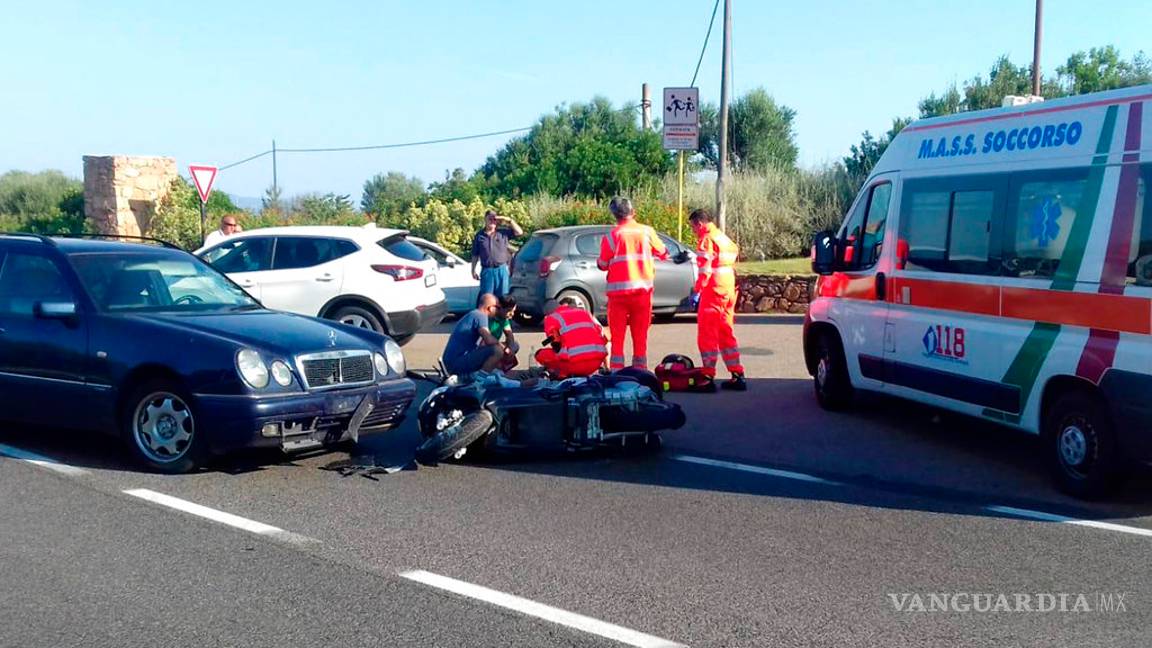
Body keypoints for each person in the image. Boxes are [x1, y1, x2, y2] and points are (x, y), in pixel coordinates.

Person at [596, 197, 667, 370]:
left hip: (618, 296)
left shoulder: (612, 236)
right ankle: (640, 372)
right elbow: (663, 252)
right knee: (640, 337)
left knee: (618, 339)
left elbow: (603, 265)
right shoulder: (647, 232)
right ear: (633, 212)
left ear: (615, 216)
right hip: (642, 294)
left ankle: (616, 373)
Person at [690, 208, 746, 391]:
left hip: (713, 290)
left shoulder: (707, 239)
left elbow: (705, 269)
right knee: (725, 331)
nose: (693, 231)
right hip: (728, 288)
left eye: (693, 227)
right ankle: (737, 374)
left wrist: (697, 290)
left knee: (707, 333)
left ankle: (707, 377)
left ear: (699, 223)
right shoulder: (723, 238)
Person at [534, 298, 608, 378]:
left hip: (575, 365)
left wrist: (548, 342)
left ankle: (561, 375)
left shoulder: (551, 318)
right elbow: (601, 335)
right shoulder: (584, 312)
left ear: (547, 313)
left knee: (540, 354)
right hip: (596, 363)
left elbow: (556, 345)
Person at [442, 293, 505, 377]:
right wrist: (503, 347)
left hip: (451, 361)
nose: (497, 311)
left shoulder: (473, 314)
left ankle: (483, 374)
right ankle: (479, 381)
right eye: (497, 308)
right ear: (490, 308)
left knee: (491, 351)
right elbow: (488, 339)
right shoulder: (480, 316)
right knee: (497, 351)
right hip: (455, 363)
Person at [471, 210, 523, 298]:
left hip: (501, 270)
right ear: (485, 219)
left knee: (503, 299)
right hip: (487, 271)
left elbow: (519, 232)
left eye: (494, 219)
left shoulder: (502, 233)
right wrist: (473, 270)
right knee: (487, 298)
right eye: (490, 219)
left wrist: (509, 220)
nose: (492, 221)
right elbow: (475, 254)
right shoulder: (479, 236)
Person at [487, 294, 521, 372]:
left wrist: (510, 349)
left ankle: (498, 367)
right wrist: (504, 348)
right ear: (500, 308)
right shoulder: (489, 318)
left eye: (513, 311)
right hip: (484, 347)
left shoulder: (504, 318)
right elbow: (486, 340)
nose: (512, 314)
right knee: (498, 350)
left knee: (515, 345)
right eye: (509, 311)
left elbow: (509, 334)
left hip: (495, 346)